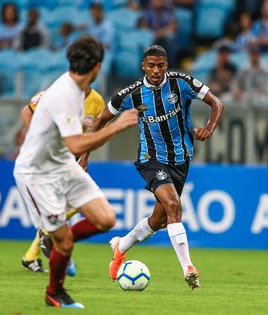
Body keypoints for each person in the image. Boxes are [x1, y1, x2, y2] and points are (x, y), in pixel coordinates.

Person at [80, 45, 224, 290]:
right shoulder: (132, 94)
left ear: (166, 65)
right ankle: (188, 268)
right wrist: (84, 155)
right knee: (173, 205)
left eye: (160, 65)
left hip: (181, 159)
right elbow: (102, 118)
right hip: (151, 159)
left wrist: (209, 128)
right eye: (151, 66)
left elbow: (217, 103)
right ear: (143, 67)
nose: (156, 70)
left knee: (159, 220)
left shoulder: (182, 83)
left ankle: (121, 246)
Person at [13, 36, 138, 308]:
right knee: (66, 245)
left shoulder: (82, 91)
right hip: (37, 174)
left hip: (62, 166)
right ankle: (54, 292)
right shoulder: (62, 94)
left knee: (106, 219)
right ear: (97, 67)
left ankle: (52, 239)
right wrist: (115, 127)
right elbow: (75, 143)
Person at [20, 87, 106, 274]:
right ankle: (39, 247)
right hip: (48, 159)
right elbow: (26, 112)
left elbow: (92, 133)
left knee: (78, 203)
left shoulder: (97, 101)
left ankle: (34, 251)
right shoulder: (55, 93)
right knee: (70, 204)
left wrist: (84, 157)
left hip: (69, 160)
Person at [138, 0, 179, 67]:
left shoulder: (168, 10)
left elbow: (173, 26)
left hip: (164, 33)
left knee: (171, 36)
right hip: (151, 34)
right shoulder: (147, 11)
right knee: (144, 37)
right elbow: (143, 26)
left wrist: (160, 33)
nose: (157, 2)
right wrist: (152, 34)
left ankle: (171, 63)